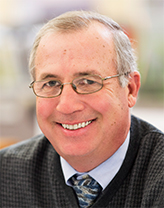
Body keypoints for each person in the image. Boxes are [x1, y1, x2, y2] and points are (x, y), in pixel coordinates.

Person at [0, 10, 163, 208]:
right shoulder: (6, 173)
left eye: (88, 81)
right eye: (51, 83)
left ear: (130, 89)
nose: (67, 106)